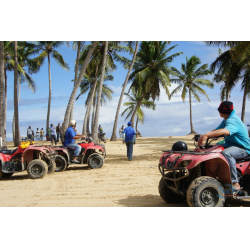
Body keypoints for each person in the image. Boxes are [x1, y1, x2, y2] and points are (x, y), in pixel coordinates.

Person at [198, 101, 250, 191]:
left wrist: (206, 135)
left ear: (221, 112)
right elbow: (217, 131)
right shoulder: (226, 119)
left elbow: (225, 131)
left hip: (243, 148)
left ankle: (235, 182)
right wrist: (203, 136)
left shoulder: (232, 120)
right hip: (231, 145)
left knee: (227, 153)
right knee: (211, 149)